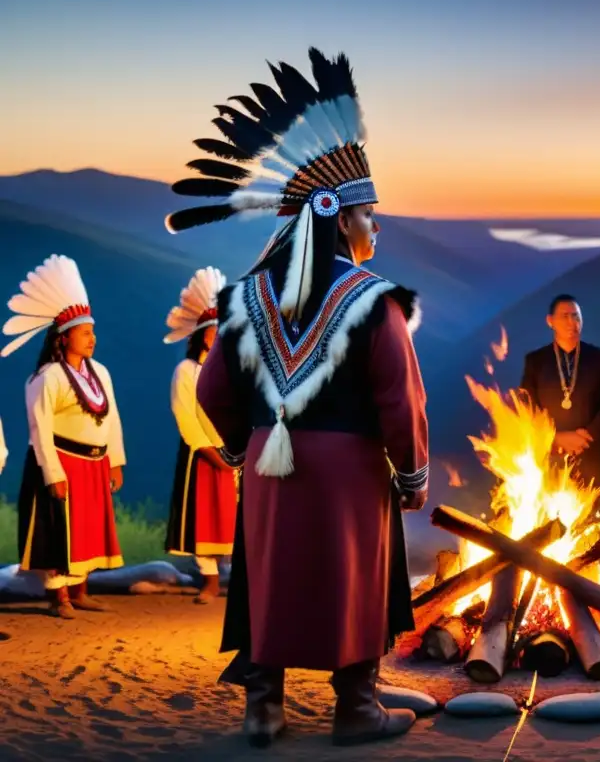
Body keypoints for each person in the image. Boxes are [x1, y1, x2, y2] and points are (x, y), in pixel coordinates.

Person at [165, 47, 427, 748]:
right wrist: (411, 474)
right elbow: (400, 400)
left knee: (268, 576)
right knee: (356, 580)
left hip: (269, 468)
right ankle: (356, 709)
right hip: (351, 473)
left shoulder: (244, 299)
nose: (378, 227)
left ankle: (264, 710)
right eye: (371, 214)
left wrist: (238, 450)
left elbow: (215, 389)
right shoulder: (377, 302)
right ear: (340, 219)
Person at [2, 254, 126, 619]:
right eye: (86, 332)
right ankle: (60, 598)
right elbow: (39, 428)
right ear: (65, 336)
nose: (93, 338)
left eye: (93, 331)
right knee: (59, 530)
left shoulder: (100, 372)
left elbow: (112, 418)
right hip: (62, 462)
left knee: (87, 529)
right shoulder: (47, 377)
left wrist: (115, 461)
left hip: (94, 462)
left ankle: (82, 590)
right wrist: (53, 474)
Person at [519, 294, 600, 553]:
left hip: (594, 450)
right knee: (552, 518)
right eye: (565, 316)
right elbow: (527, 406)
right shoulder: (536, 360)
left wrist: (589, 435)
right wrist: (556, 438)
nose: (571, 322)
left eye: (576, 316)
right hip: (551, 452)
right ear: (550, 321)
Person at [163, 267, 242, 604]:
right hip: (204, 455)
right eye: (214, 331)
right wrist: (211, 452)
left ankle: (239, 583)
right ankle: (209, 581)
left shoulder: (234, 371)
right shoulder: (186, 371)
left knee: (239, 518)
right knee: (205, 515)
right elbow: (186, 417)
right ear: (202, 334)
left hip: (235, 453)